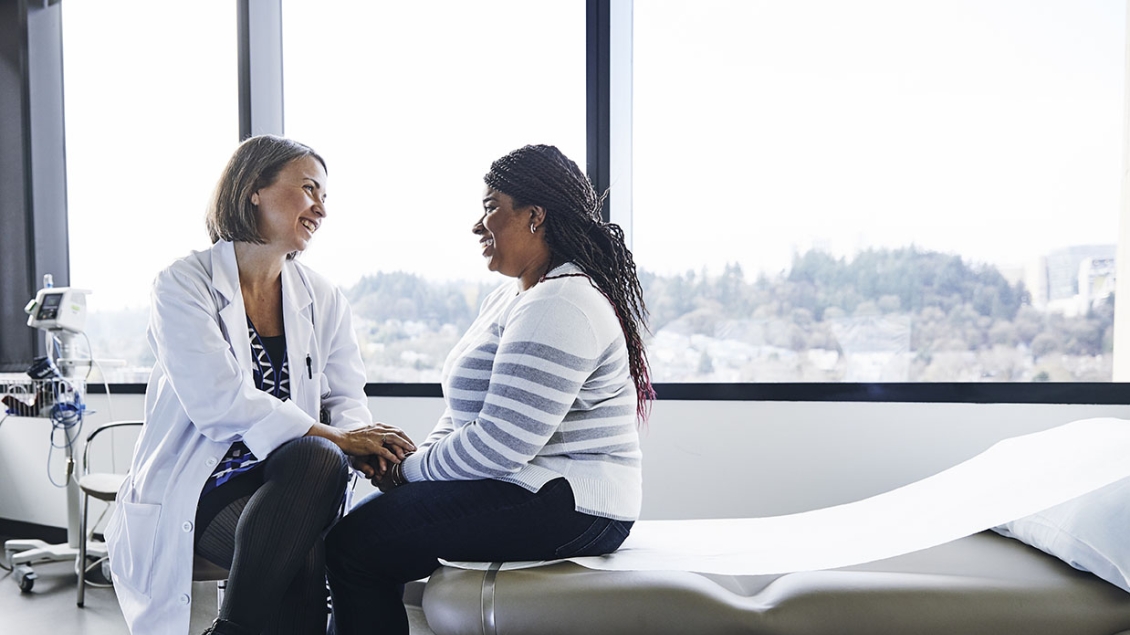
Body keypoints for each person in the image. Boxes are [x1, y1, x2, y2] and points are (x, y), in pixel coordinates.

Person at [324, 144, 655, 635]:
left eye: (490, 207)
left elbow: (501, 444)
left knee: (356, 545)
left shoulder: (561, 302)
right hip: (531, 486)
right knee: (364, 531)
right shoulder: (512, 297)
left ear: (534, 216)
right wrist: (413, 464)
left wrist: (407, 473)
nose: (478, 225)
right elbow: (463, 417)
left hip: (572, 504)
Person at [105, 135, 414, 635]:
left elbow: (345, 396)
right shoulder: (184, 284)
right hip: (203, 484)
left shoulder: (322, 296)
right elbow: (217, 401)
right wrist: (338, 438)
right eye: (309, 189)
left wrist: (360, 440)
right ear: (254, 189)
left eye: (325, 197)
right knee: (304, 557)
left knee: (318, 460)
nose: (320, 209)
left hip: (296, 479)